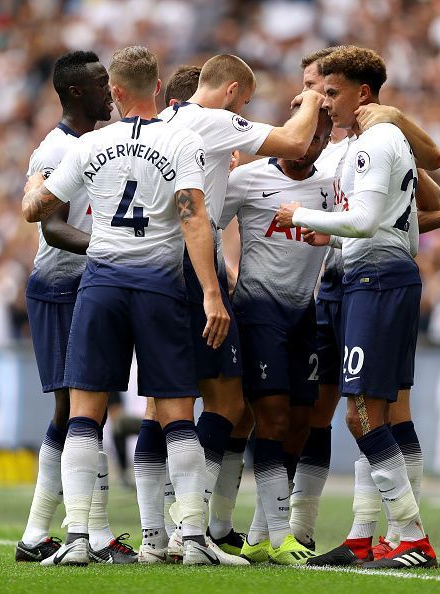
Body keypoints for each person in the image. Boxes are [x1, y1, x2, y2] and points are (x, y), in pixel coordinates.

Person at [21, 45, 231, 567]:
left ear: (115, 91)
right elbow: (193, 217)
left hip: (101, 286)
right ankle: (194, 538)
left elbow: (36, 208)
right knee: (178, 409)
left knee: (85, 411)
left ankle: (74, 538)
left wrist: (34, 187)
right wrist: (209, 291)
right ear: (158, 88)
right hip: (159, 287)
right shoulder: (181, 140)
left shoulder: (92, 144)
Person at [289, 47, 440, 556]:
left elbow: (369, 220)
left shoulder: (380, 139)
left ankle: (412, 535)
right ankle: (367, 537)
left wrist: (300, 216)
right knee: (379, 410)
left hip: (376, 281)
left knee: (362, 415)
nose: (322, 101)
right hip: (366, 275)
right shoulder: (357, 145)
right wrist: (330, 238)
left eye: (330, 92)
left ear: (363, 93)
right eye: (317, 90)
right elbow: (385, 219)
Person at [143, 54, 324, 561]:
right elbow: (291, 141)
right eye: (245, 102)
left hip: (150, 266)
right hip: (188, 265)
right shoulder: (214, 120)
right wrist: (312, 97)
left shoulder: (165, 123)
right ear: (231, 92)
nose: (244, 111)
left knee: (166, 403)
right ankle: (191, 530)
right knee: (226, 402)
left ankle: (159, 535)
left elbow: (188, 201)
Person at [15, 50, 137, 565]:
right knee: (77, 408)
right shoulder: (55, 149)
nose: (110, 90)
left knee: (85, 409)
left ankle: (38, 533)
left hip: (89, 285)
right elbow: (50, 226)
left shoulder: (97, 142)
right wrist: (110, 245)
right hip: (60, 287)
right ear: (75, 94)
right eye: (99, 83)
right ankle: (86, 531)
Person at [219, 108, 333, 564]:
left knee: (301, 422)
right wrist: (219, 285)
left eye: (322, 138)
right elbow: (203, 226)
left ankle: (258, 534)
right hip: (257, 309)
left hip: (304, 311)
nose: (313, 145)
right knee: (272, 418)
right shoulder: (246, 178)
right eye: (308, 136)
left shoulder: (329, 186)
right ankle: (282, 536)